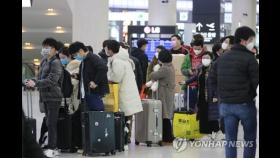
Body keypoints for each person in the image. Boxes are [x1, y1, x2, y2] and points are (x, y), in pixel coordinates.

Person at [209, 26, 259, 158]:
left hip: (225, 105)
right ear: (243, 41)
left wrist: (220, 95)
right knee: (249, 140)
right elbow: (256, 82)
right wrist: (248, 94)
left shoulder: (221, 58)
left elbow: (211, 79)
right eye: (251, 40)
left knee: (230, 141)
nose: (252, 43)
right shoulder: (250, 59)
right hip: (244, 105)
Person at [25, 38, 63, 157]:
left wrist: (36, 83)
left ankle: (53, 147)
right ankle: (50, 145)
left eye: (48, 47)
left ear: (55, 50)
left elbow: (52, 80)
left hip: (54, 97)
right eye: (44, 47)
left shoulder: (56, 62)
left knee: (51, 123)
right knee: (48, 122)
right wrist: (32, 80)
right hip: (45, 96)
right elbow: (41, 77)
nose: (45, 50)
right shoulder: (44, 61)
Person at [106, 40, 143, 149]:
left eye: (106, 48)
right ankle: (125, 139)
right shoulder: (125, 60)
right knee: (127, 117)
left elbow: (116, 77)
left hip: (123, 94)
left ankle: (123, 140)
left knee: (123, 118)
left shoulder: (117, 61)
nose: (105, 50)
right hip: (129, 93)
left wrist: (108, 77)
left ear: (110, 49)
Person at [68, 41, 109, 112]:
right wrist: (77, 76)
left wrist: (95, 82)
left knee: (96, 114)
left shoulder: (92, 58)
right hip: (86, 92)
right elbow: (87, 75)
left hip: (94, 92)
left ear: (80, 50)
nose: (75, 57)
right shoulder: (84, 60)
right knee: (88, 116)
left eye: (75, 55)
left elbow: (103, 68)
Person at [150, 50, 175, 144]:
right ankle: (168, 137)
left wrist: (154, 70)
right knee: (166, 115)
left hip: (164, 94)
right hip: (168, 93)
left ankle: (168, 138)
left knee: (165, 116)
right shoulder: (170, 66)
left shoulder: (164, 69)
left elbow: (153, 75)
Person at [194, 52, 220, 136]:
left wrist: (216, 95)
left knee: (211, 112)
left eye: (207, 57)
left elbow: (218, 83)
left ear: (211, 59)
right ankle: (204, 130)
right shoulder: (200, 68)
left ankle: (214, 130)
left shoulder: (214, 69)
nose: (205, 59)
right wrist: (186, 82)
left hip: (211, 93)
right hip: (201, 94)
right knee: (202, 111)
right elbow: (195, 77)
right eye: (203, 57)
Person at [181, 36, 206, 111]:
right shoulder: (188, 57)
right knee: (189, 107)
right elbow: (182, 69)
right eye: (195, 48)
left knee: (201, 107)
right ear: (192, 47)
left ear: (202, 47)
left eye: (198, 49)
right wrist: (188, 71)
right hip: (190, 85)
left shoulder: (206, 56)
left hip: (202, 85)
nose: (196, 50)